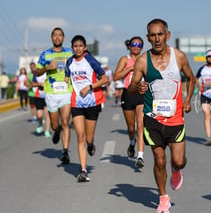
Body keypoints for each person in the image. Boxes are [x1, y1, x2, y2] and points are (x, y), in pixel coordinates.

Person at [128, 18, 195, 213]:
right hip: (152, 118)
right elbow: (132, 87)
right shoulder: (142, 61)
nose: (157, 39)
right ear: (148, 37)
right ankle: (163, 197)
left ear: (167, 35)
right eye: (153, 35)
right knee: (159, 160)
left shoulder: (179, 57)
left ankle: (176, 170)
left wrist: (188, 99)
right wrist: (138, 87)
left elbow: (191, 78)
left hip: (175, 119)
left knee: (178, 161)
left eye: (160, 34)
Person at [65, 35, 108, 182]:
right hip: (76, 103)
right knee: (80, 136)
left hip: (92, 102)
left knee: (88, 138)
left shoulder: (90, 60)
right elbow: (67, 77)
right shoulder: (69, 61)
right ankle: (83, 170)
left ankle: (91, 145)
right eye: (75, 46)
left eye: (80, 46)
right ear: (72, 48)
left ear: (85, 47)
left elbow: (105, 79)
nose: (77, 48)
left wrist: (89, 86)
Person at [36, 27, 73, 164]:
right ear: (51, 38)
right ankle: (56, 131)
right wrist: (47, 68)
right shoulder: (45, 54)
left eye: (60, 35)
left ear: (64, 38)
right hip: (51, 93)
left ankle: (65, 152)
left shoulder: (70, 53)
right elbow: (37, 72)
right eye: (55, 35)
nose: (57, 37)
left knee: (65, 122)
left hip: (66, 91)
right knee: (54, 125)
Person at [113, 36, 146, 168]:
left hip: (142, 94)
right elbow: (116, 76)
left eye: (139, 45)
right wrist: (129, 69)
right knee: (131, 127)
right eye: (134, 44)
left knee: (140, 126)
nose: (136, 47)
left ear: (142, 47)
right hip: (128, 94)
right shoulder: (124, 59)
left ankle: (140, 155)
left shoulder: (145, 59)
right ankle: (132, 142)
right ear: (129, 46)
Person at [32, 71, 51, 138]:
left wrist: (46, 84)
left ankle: (47, 130)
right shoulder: (36, 73)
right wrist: (39, 84)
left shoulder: (49, 72)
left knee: (47, 114)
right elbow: (33, 84)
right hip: (38, 96)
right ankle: (40, 124)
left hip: (48, 95)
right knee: (39, 115)